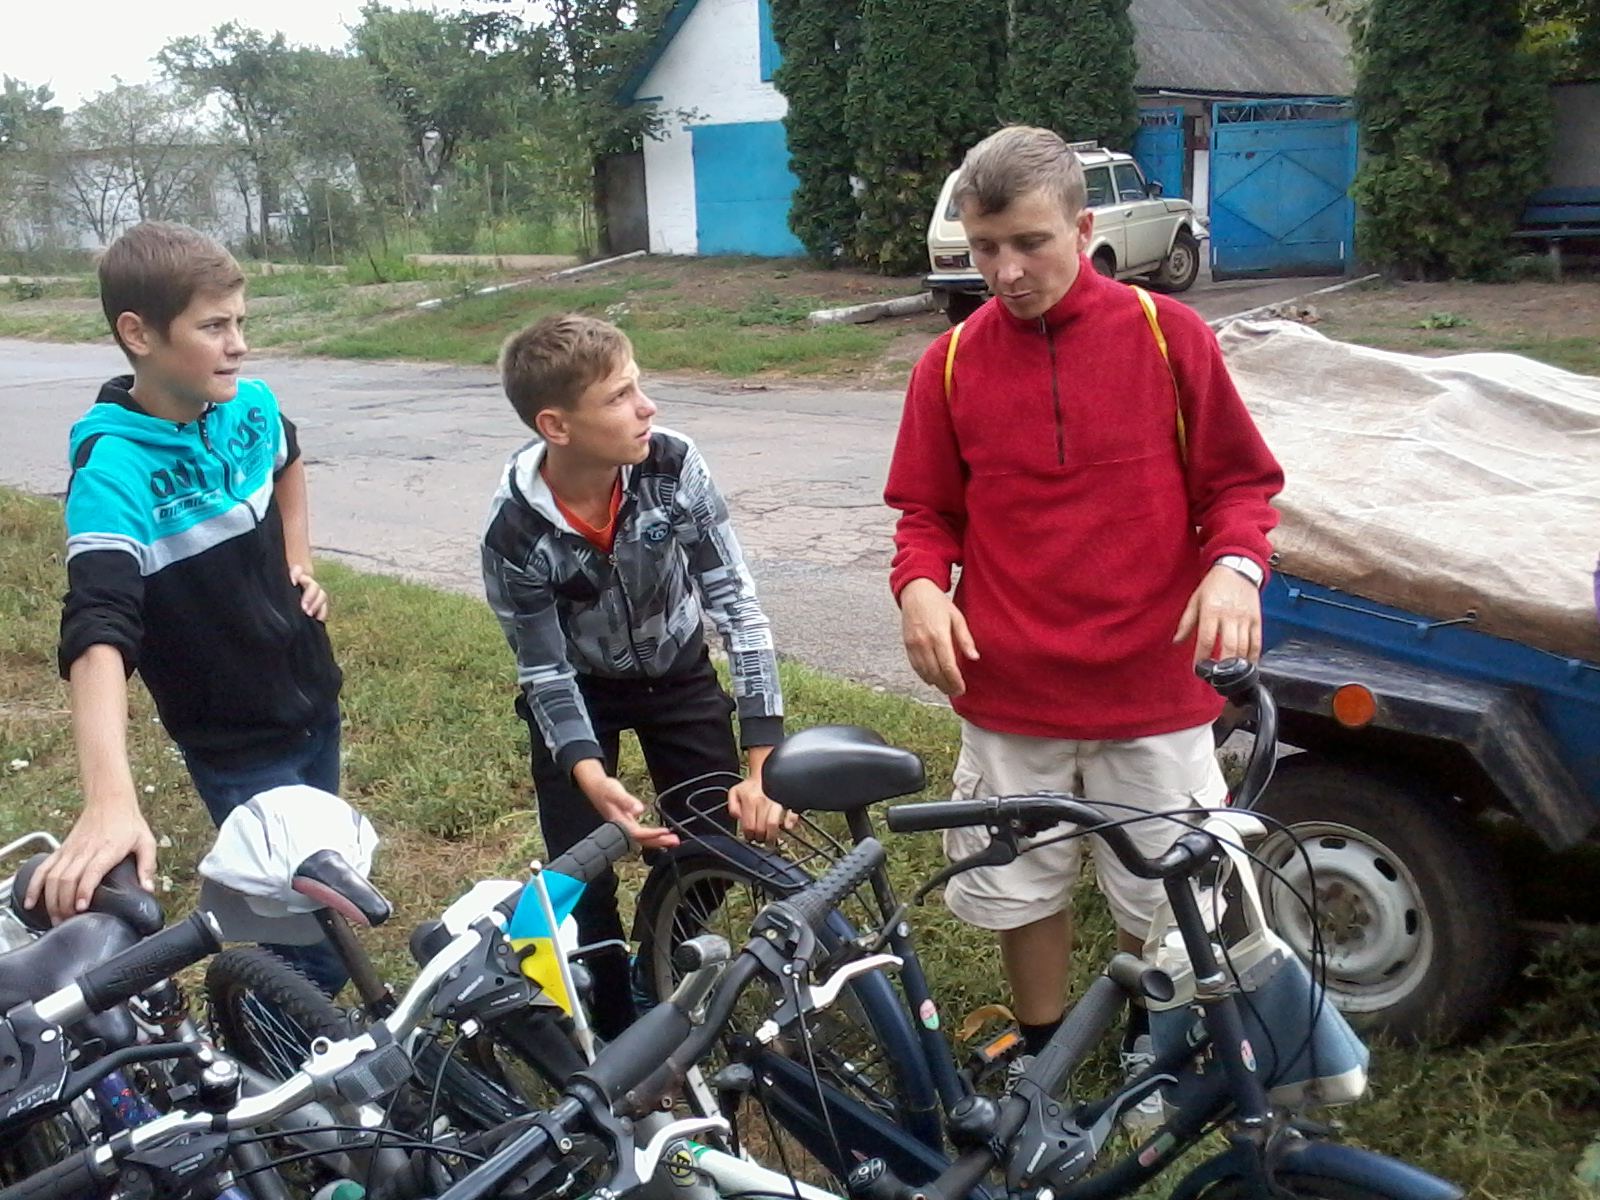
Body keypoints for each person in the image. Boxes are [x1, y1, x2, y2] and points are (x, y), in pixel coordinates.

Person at [884, 127, 1283, 1099]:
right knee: (1022, 884)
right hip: (1011, 689)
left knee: (1163, 887)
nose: (1006, 272)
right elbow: (925, 514)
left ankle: (1150, 1041)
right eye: (985, 249)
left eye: (1030, 243)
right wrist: (921, 586)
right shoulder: (948, 364)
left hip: (1153, 686)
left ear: (1083, 227)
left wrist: (1234, 570)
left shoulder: (1169, 336)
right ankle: (1043, 1057)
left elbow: (1239, 486)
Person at [25, 222, 345, 994]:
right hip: (236, 740)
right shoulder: (114, 468)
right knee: (319, 943)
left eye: (241, 322)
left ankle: (272, 985)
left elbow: (288, 457)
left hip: (313, 699)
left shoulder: (248, 405)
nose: (238, 345)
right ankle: (276, 1028)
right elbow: (99, 627)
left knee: (316, 889)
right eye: (214, 327)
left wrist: (297, 557)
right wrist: (110, 800)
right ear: (139, 333)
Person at [482, 312, 788, 1040]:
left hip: (677, 669)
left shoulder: (672, 464)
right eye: (619, 396)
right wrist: (590, 776)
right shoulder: (513, 533)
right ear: (556, 426)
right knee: (581, 872)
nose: (647, 407)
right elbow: (544, 670)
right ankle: (613, 1021)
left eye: (638, 386)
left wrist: (763, 764)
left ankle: (660, 962)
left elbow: (737, 607)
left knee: (714, 840)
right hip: (582, 690)